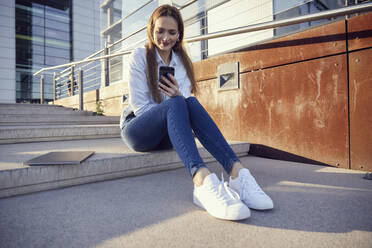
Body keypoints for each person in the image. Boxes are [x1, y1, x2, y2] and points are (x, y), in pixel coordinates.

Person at [120, 4, 273, 221]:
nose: (165, 38)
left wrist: (177, 101)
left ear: (179, 34)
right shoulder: (139, 56)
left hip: (168, 133)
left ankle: (238, 173)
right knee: (178, 102)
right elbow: (142, 108)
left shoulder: (181, 63)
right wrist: (173, 103)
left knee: (188, 101)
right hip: (138, 129)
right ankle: (202, 181)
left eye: (172, 32)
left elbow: (184, 110)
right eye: (160, 31)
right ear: (151, 30)